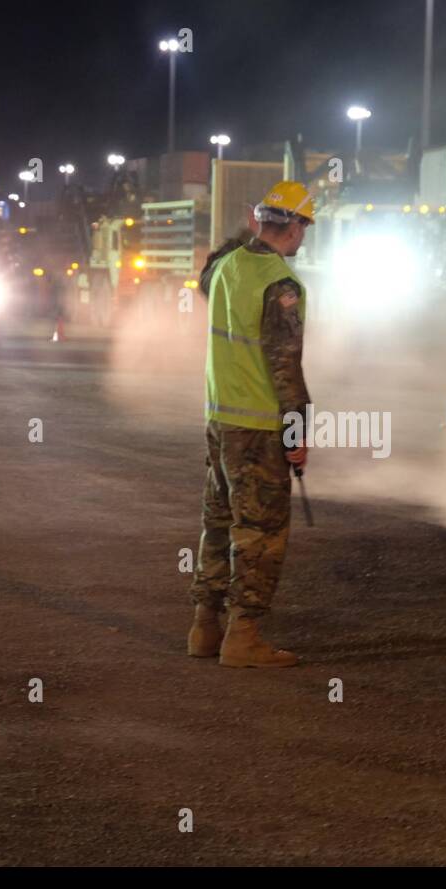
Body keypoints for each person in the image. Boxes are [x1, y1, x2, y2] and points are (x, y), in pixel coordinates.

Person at [187, 181, 315, 668]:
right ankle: (243, 637)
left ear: (259, 219)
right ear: (297, 226)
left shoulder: (226, 267)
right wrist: (295, 435)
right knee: (259, 533)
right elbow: (286, 367)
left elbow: (207, 273)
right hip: (260, 428)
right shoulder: (280, 284)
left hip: (220, 418)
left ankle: (204, 626)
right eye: (305, 225)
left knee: (217, 523)